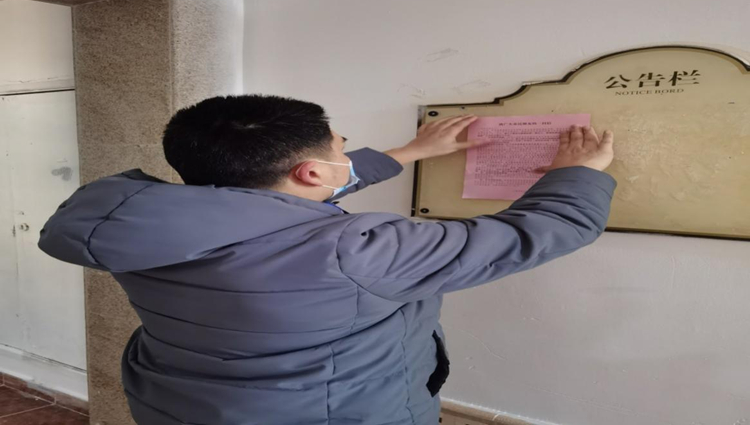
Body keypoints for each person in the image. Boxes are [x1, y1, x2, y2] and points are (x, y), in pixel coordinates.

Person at [38, 94, 616, 425]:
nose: (345, 149)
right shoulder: (360, 251)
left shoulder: (137, 222)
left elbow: (276, 198)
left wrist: (409, 152)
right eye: (340, 145)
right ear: (312, 171)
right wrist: (579, 173)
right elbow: (538, 231)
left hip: (184, 406)